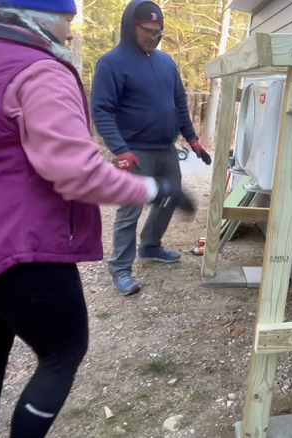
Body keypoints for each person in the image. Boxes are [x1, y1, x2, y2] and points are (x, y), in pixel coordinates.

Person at [0, 1, 191, 436]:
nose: (71, 33)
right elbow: (78, 174)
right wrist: (156, 189)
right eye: (66, 21)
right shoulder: (38, 71)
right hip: (14, 246)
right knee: (62, 353)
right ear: (35, 18)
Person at [91, 0, 211, 296]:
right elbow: (102, 111)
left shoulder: (166, 62)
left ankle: (151, 246)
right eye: (148, 30)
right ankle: (121, 268)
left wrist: (192, 138)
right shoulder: (112, 63)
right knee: (130, 209)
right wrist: (120, 150)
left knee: (170, 197)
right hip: (134, 151)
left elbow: (179, 104)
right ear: (131, 27)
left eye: (159, 32)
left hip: (165, 148)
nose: (154, 37)